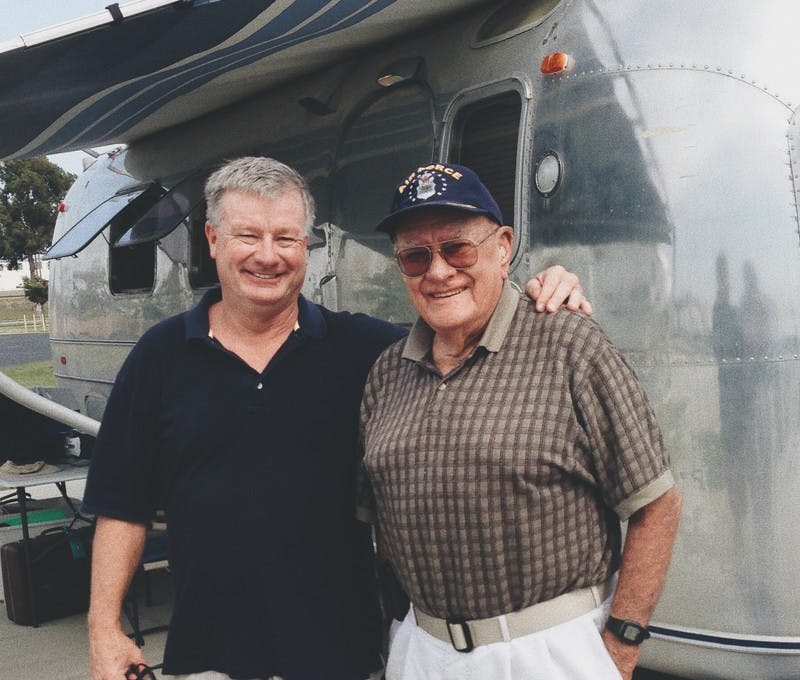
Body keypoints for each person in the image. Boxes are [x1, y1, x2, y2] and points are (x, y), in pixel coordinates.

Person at [83, 156, 591, 680]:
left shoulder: (368, 350)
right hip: (209, 657)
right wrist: (103, 628)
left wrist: (536, 290)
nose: (267, 256)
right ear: (213, 239)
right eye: (247, 236)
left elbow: (462, 320)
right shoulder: (160, 356)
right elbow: (123, 504)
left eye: (286, 238)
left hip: (343, 656)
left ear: (307, 247)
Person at [360, 163, 683, 680]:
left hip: (548, 654)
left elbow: (656, 503)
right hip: (423, 653)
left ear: (503, 245)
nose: (438, 271)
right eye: (416, 256)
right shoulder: (386, 373)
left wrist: (620, 647)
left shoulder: (569, 344)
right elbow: (379, 535)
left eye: (457, 248)